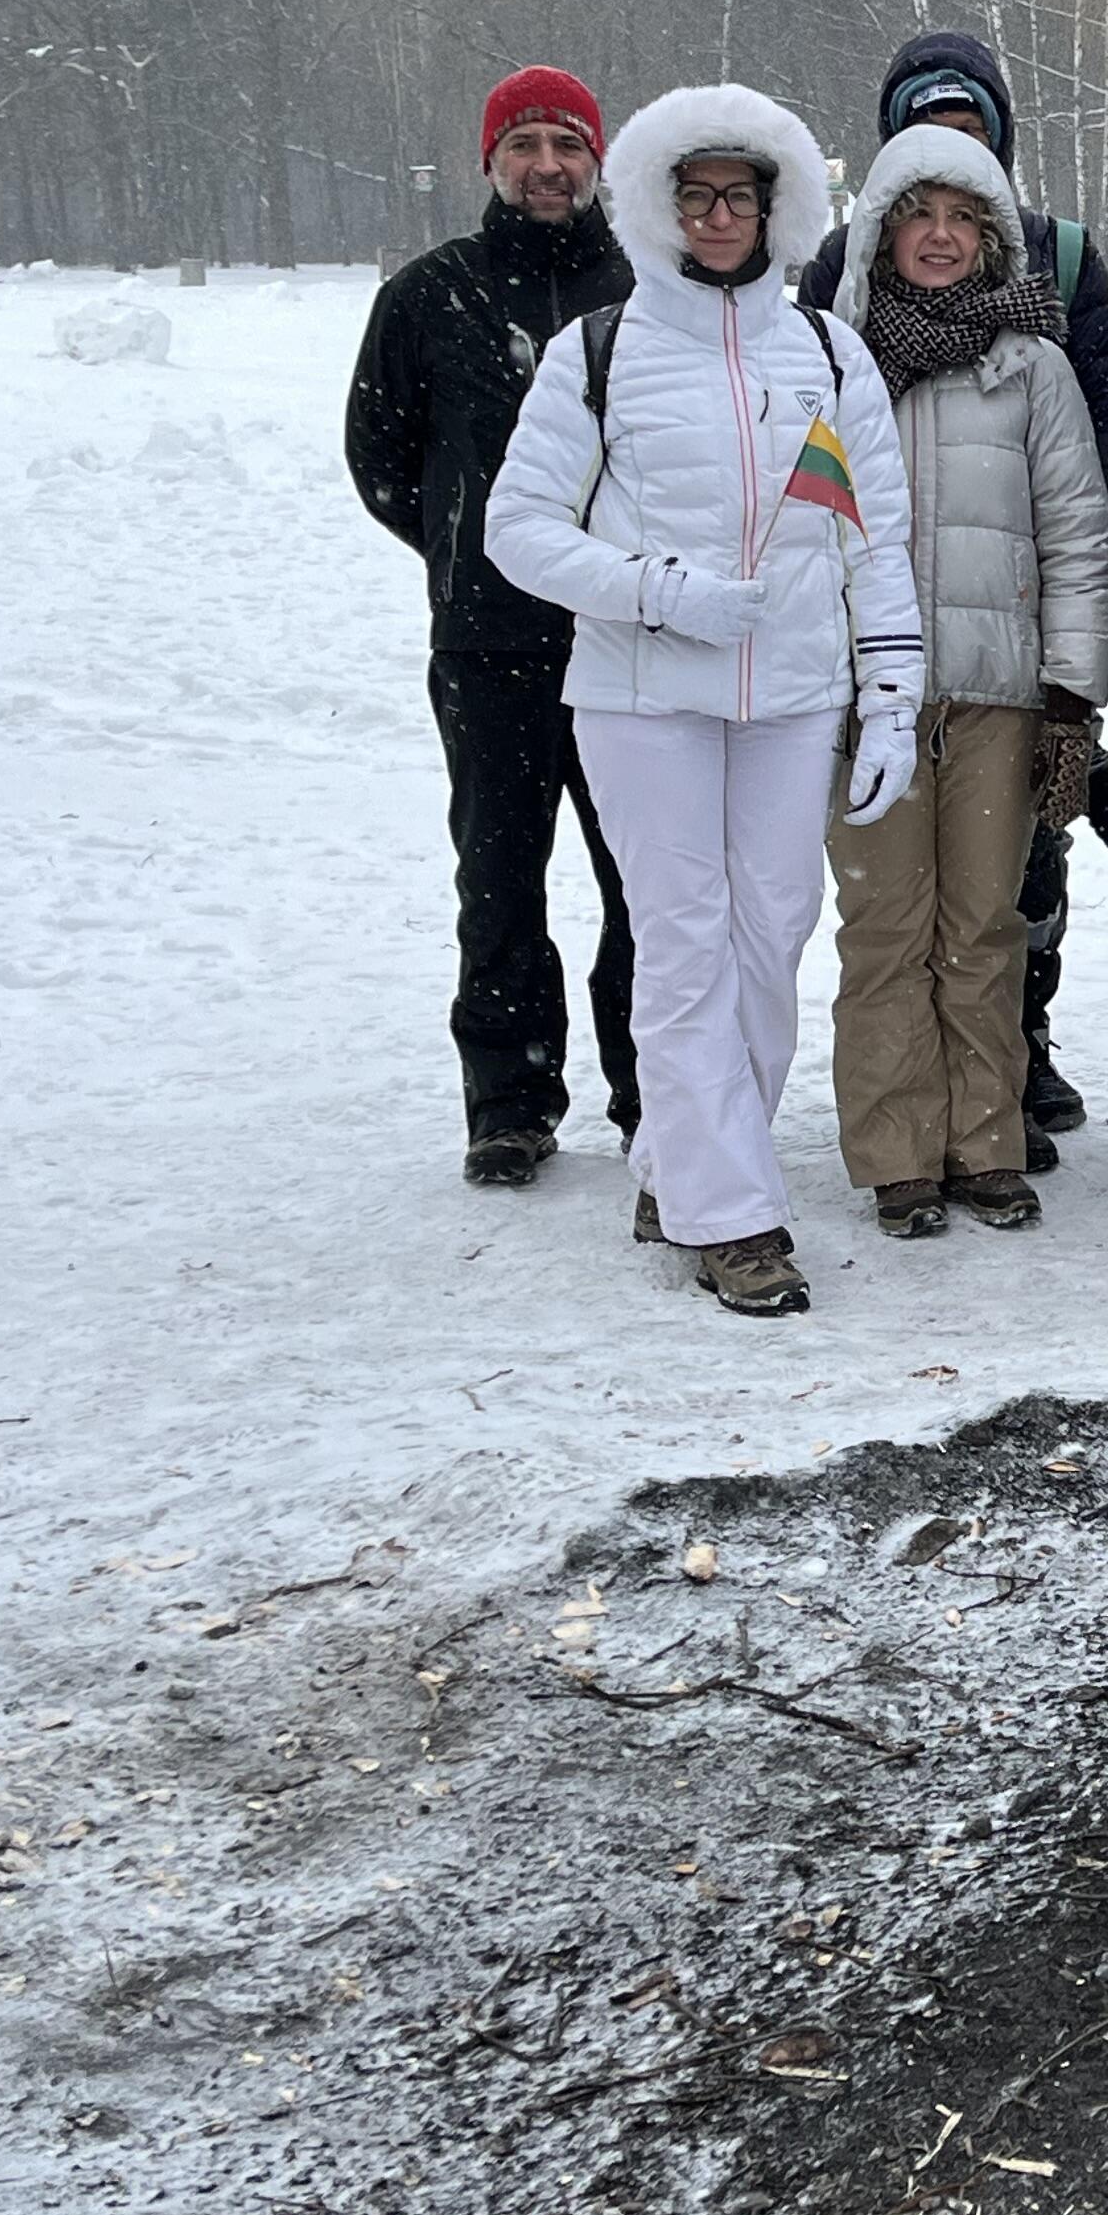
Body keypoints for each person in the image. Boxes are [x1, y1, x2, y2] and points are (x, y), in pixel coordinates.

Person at [484, 85, 922, 1319]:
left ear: (779, 209)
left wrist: (892, 694)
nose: (720, 215)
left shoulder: (827, 352)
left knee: (771, 935)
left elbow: (876, 539)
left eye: (742, 194)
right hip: (642, 698)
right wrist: (660, 592)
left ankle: (677, 1164)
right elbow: (518, 530)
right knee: (681, 941)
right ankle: (731, 1216)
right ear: (654, 204)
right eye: (696, 195)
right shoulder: (599, 351)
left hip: (794, 693)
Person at [794, 28, 1108, 1163]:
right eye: (917, 210)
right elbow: (797, 530)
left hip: (1001, 683)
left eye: (964, 210)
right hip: (872, 695)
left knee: (991, 920)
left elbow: (1080, 525)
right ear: (880, 220)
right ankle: (897, 1150)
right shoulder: (832, 357)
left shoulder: (1032, 358)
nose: (940, 235)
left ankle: (990, 1133)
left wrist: (1072, 697)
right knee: (884, 927)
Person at [344, 68, 642, 1186]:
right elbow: (381, 457)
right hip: (489, 644)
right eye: (524, 146)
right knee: (500, 878)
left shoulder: (648, 287)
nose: (547, 167)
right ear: (490, 162)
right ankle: (510, 1103)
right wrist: (465, 546)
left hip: (631, 637)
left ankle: (653, 1090)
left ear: (598, 161)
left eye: (567, 145)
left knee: (647, 881)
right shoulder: (430, 295)